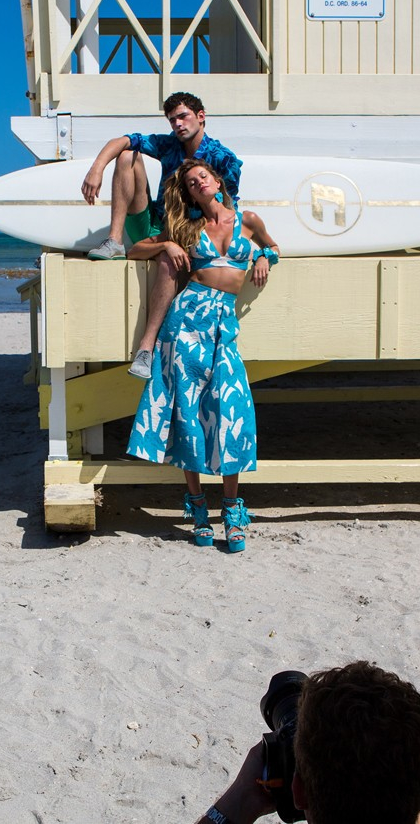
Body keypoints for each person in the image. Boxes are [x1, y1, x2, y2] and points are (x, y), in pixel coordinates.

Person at [126, 159, 280, 553]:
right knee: (188, 412)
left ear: (216, 181)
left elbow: (273, 245)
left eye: (203, 177)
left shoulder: (248, 220)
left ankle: (231, 508)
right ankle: (197, 507)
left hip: (223, 324)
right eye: (192, 183)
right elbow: (135, 249)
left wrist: (265, 257)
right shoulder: (188, 228)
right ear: (190, 195)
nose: (199, 184)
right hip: (186, 321)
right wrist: (166, 244)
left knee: (232, 410)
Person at [81, 92, 242, 379]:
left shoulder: (222, 158)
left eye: (183, 117)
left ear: (201, 116)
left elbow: (228, 205)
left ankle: (145, 349)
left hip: (188, 233)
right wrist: (97, 169)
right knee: (128, 154)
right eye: (172, 120)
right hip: (155, 225)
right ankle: (114, 240)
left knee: (169, 262)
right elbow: (124, 140)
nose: (178, 124)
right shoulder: (169, 145)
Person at [197, 661, 420, 824]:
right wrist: (397, 790)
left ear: (298, 792)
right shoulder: (415, 799)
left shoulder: (290, 792)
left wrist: (241, 798)